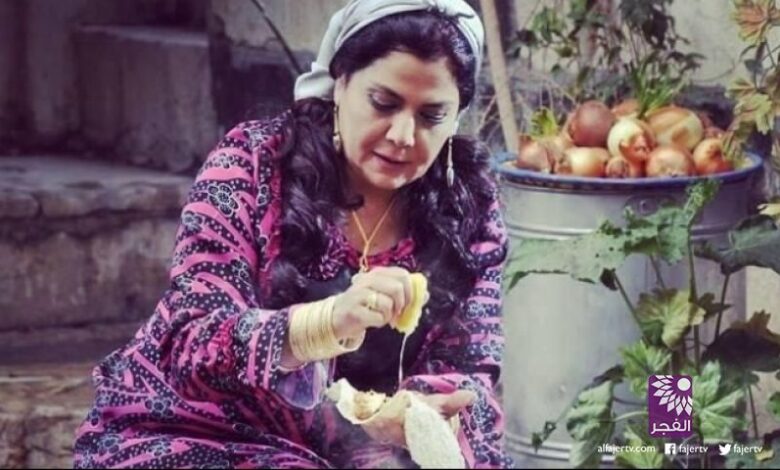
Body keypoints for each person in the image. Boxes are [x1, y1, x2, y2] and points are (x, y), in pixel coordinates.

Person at [73, 0, 512, 468]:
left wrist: (418, 410)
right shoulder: (254, 165)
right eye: (383, 104)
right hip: (200, 432)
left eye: (431, 116)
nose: (403, 135)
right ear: (340, 82)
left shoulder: (468, 208)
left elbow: (470, 365)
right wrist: (326, 322)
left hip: (362, 452)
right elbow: (192, 341)